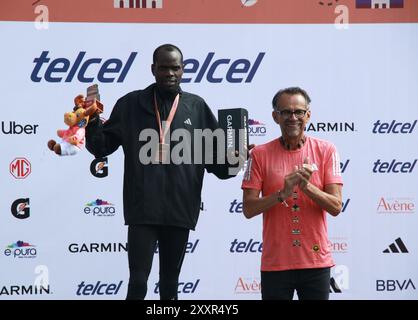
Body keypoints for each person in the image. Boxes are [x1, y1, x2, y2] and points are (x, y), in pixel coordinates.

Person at [85, 44, 239, 300]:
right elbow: (101, 147)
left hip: (180, 208)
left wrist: (236, 156)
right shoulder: (130, 104)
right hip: (142, 209)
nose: (170, 73)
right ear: (153, 69)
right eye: (164, 67)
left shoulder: (196, 107)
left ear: (183, 70)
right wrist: (90, 119)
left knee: (170, 286)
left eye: (175, 68)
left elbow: (218, 166)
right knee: (137, 283)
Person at [241, 87, 343, 300]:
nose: (293, 117)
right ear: (275, 116)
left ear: (308, 115)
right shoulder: (258, 154)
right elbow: (248, 209)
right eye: (286, 112)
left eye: (299, 112)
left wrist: (307, 188)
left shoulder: (327, 150)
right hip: (276, 263)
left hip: (315, 262)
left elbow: (336, 206)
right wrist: (282, 193)